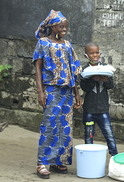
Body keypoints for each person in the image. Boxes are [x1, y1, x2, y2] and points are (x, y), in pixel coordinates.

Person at [33, 10, 82, 179]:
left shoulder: (68, 45)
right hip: (52, 90)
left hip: (67, 91)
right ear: (53, 26)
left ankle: (58, 160)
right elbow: (38, 69)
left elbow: (73, 70)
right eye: (61, 26)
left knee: (65, 127)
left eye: (66, 27)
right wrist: (41, 92)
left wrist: (77, 95)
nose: (64, 29)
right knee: (49, 126)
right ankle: (42, 163)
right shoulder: (43, 43)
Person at [80, 42, 118, 156]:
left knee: (109, 134)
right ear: (86, 55)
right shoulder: (85, 70)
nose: (95, 55)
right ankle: (89, 157)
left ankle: (115, 157)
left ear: (100, 53)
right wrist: (93, 79)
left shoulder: (106, 68)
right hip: (89, 109)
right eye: (91, 53)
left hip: (103, 109)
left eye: (97, 52)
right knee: (89, 134)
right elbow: (84, 87)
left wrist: (105, 79)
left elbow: (111, 85)